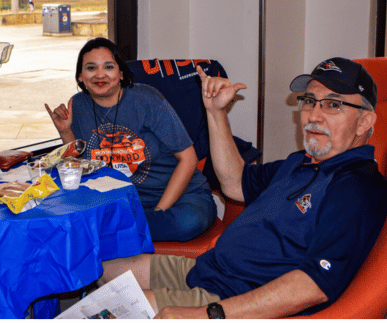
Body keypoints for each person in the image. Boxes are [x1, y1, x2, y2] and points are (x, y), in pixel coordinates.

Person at [100, 57, 387, 318]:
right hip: (209, 269)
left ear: (364, 121)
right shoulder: (302, 162)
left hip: (231, 298)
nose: (313, 115)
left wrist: (209, 314)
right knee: (99, 269)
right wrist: (215, 112)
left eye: (333, 104)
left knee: (107, 308)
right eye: (310, 101)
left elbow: (313, 286)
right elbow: (235, 184)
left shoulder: (356, 187)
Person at [45, 37, 216, 242]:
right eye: (91, 68)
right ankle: (122, 229)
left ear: (121, 74)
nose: (100, 75)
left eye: (108, 67)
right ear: (80, 77)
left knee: (186, 223)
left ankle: (117, 230)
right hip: (120, 202)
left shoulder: (146, 99)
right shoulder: (78, 106)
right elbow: (81, 167)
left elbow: (188, 159)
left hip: (182, 197)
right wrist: (65, 131)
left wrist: (159, 211)